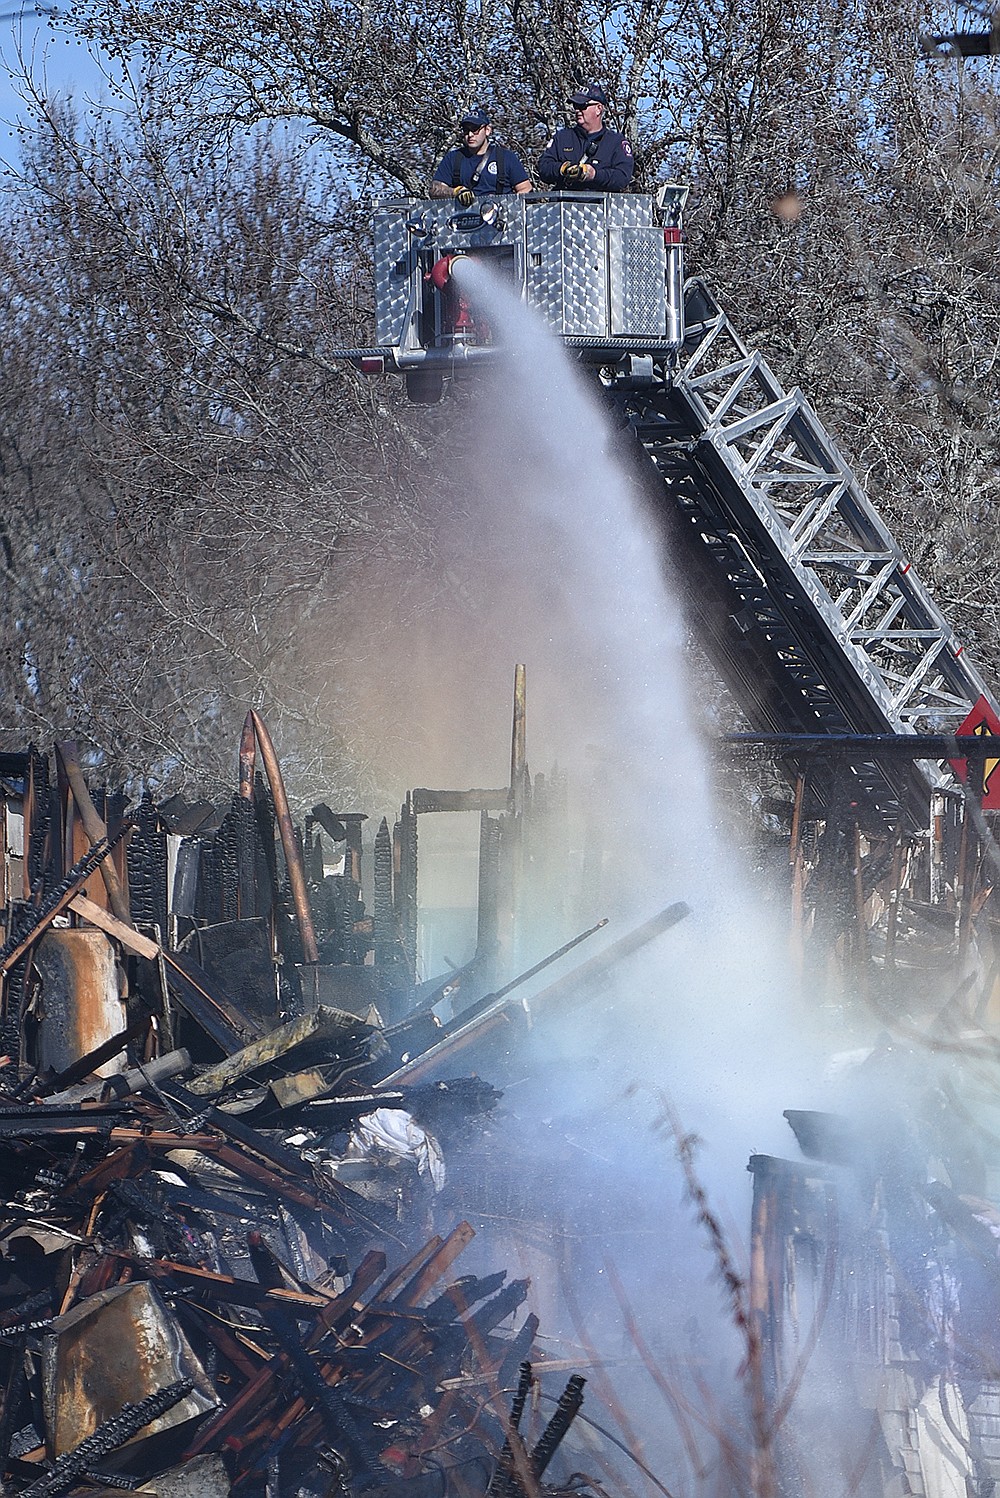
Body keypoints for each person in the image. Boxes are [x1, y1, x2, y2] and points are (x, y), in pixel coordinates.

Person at [537, 84, 634, 193]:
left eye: (582, 106)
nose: (577, 110)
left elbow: (622, 177)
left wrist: (594, 174)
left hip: (601, 206)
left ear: (598, 109)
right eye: (575, 106)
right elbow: (543, 167)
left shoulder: (616, 142)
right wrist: (563, 169)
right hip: (565, 204)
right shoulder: (562, 138)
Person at [431, 106, 532, 205]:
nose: (470, 134)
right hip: (463, 217)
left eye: (475, 129)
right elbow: (435, 189)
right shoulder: (453, 158)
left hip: (501, 217)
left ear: (487, 130)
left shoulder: (506, 157)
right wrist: (455, 191)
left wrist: (509, 208)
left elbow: (525, 188)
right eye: (466, 130)